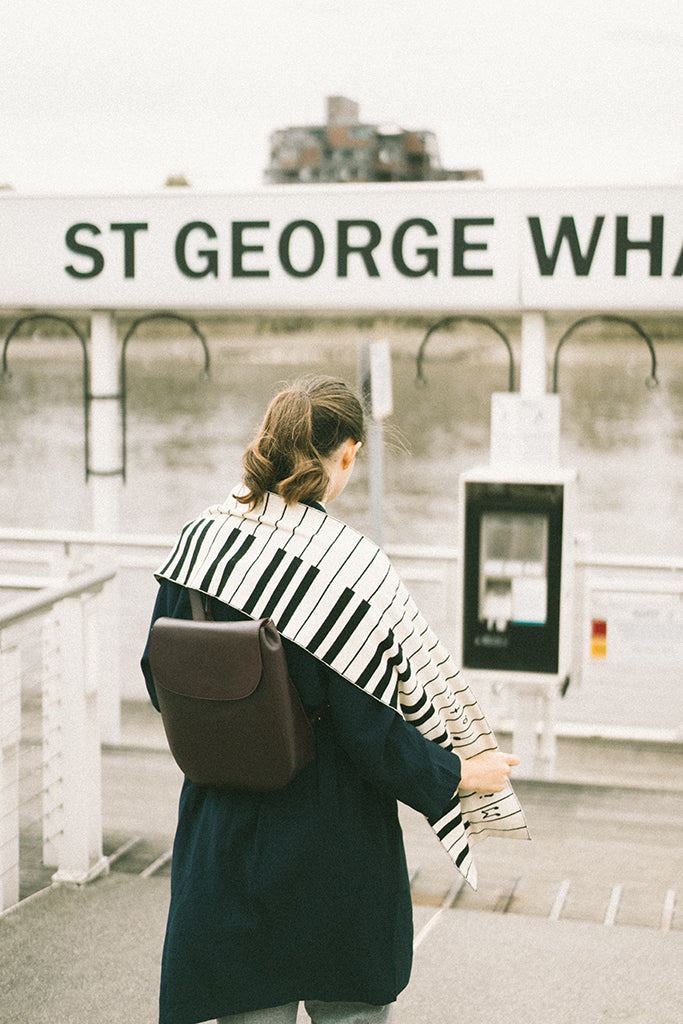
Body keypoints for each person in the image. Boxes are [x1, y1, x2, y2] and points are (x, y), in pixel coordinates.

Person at [141, 376, 526, 1024]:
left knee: (246, 1004)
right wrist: (462, 771)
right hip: (329, 840)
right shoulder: (348, 570)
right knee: (345, 1006)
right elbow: (372, 734)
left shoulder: (200, 540)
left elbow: (159, 677)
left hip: (226, 833)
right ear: (345, 453)